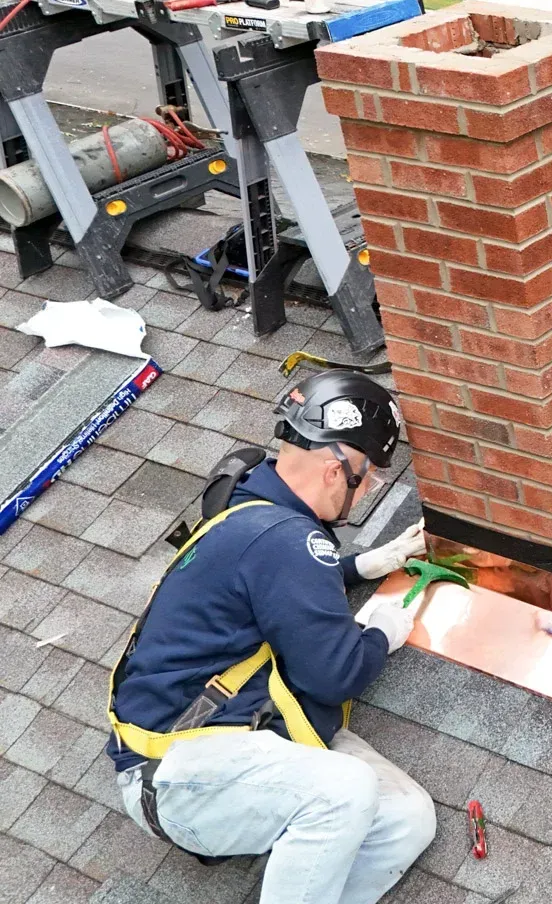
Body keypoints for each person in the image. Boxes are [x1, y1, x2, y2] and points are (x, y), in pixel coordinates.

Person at [107, 370, 436, 904]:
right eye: (370, 476)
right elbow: (335, 676)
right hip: (176, 771)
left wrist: (357, 567)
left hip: (248, 730)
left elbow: (268, 583)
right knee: (343, 791)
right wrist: (380, 633)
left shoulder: (253, 495)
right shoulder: (288, 541)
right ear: (336, 470)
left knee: (406, 819)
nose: (369, 490)